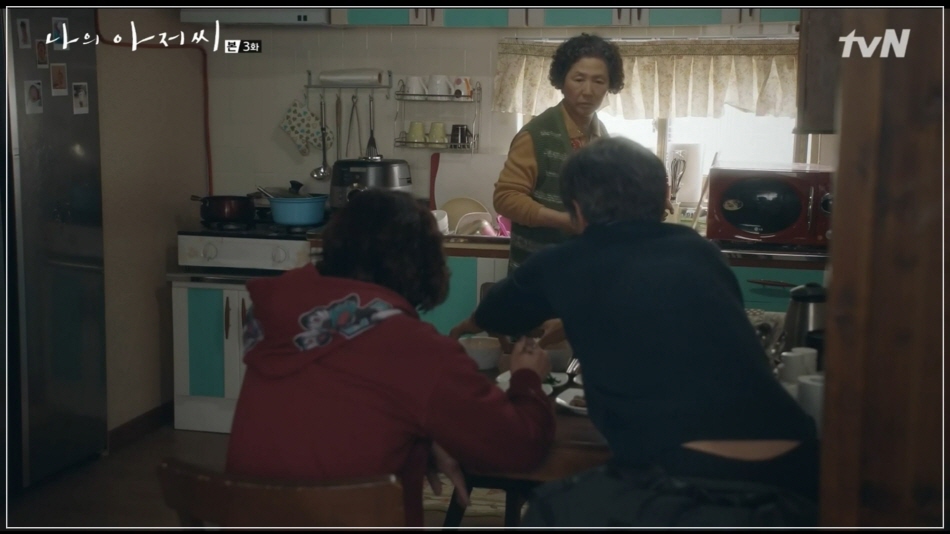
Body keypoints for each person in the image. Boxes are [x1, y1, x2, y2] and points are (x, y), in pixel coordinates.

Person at [450, 137, 820, 527]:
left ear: (577, 210)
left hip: (684, 479)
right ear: (662, 202)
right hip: (799, 470)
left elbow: (499, 313)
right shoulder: (700, 250)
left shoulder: (566, 261)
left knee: (547, 510)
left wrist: (473, 322)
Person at [225, 189, 556, 528]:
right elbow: (520, 447)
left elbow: (333, 418)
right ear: (424, 265)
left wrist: (423, 437)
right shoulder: (414, 347)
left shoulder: (279, 318)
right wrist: (527, 377)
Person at [494, 33, 624, 275]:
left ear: (609, 86)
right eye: (578, 79)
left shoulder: (601, 136)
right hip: (537, 276)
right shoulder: (536, 135)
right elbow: (506, 198)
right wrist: (563, 221)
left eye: (599, 81)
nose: (588, 91)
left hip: (583, 273)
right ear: (562, 81)